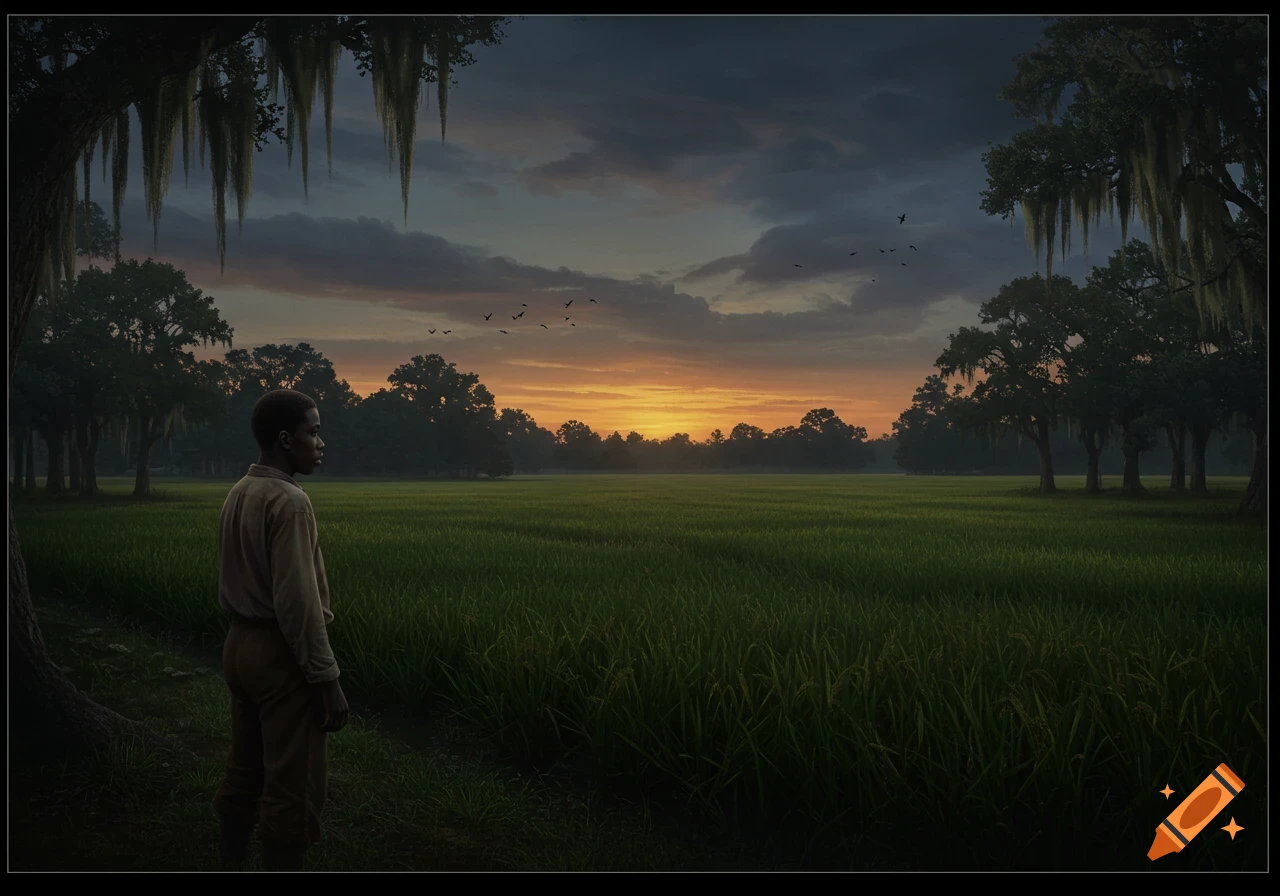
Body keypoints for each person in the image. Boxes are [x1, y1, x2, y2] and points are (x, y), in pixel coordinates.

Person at [212, 389, 349, 871]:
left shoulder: (240, 490)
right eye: (313, 432)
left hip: (239, 646)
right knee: (295, 787)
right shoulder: (290, 501)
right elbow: (298, 603)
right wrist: (325, 677)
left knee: (245, 770)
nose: (320, 442)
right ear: (287, 439)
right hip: (278, 654)